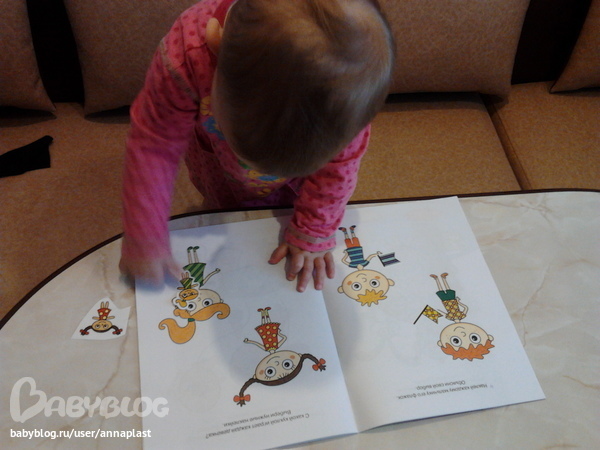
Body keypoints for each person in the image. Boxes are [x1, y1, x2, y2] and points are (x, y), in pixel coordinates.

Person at [119, 0, 395, 292]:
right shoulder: (186, 56)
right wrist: (144, 234)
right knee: (223, 209)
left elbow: (339, 169)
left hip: (296, 190)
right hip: (219, 175)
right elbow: (155, 144)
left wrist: (313, 230)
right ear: (215, 41)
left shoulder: (345, 91)